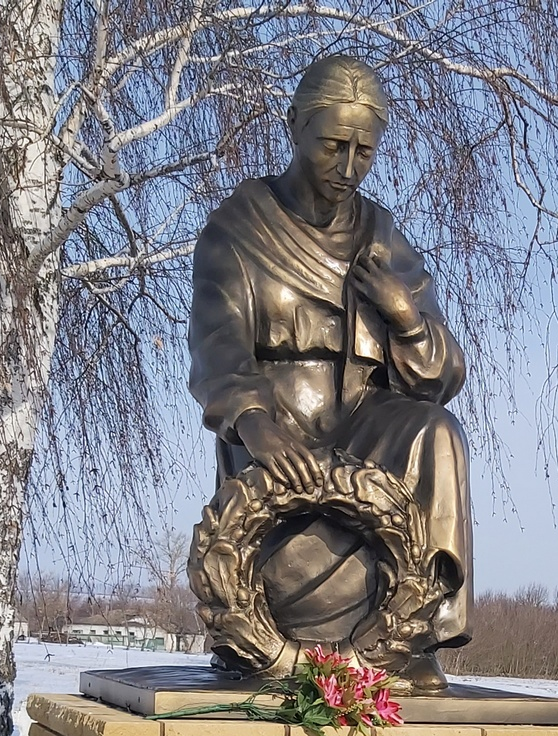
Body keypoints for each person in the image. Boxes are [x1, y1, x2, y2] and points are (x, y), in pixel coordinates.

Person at [188, 55, 471, 684]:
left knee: (438, 432)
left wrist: (406, 318)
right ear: (295, 127)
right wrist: (253, 420)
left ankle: (418, 634)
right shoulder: (238, 230)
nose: (347, 168)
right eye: (333, 146)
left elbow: (443, 375)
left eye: (363, 153)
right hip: (278, 428)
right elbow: (217, 346)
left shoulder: (380, 235)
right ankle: (262, 640)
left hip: (363, 423)